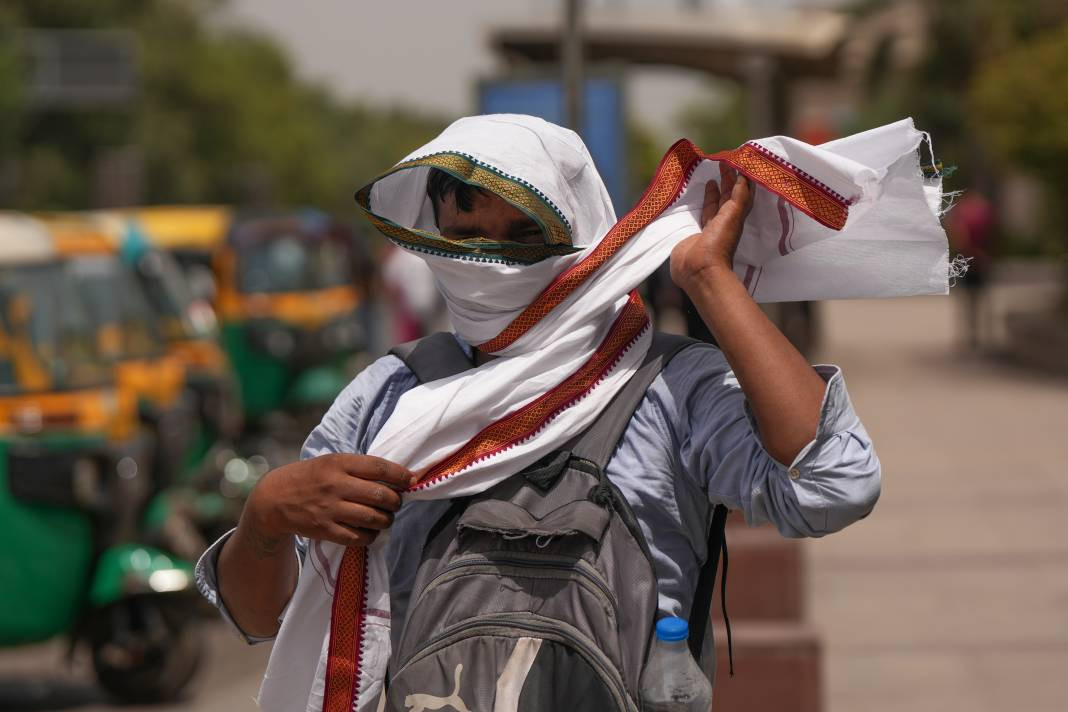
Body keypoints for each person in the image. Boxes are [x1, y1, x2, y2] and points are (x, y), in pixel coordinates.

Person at [196, 114, 946, 712]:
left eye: (521, 237)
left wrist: (709, 283)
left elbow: (835, 485)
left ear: (582, 231)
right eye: (464, 237)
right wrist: (265, 519)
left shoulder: (667, 385)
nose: (488, 261)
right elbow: (263, 619)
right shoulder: (391, 395)